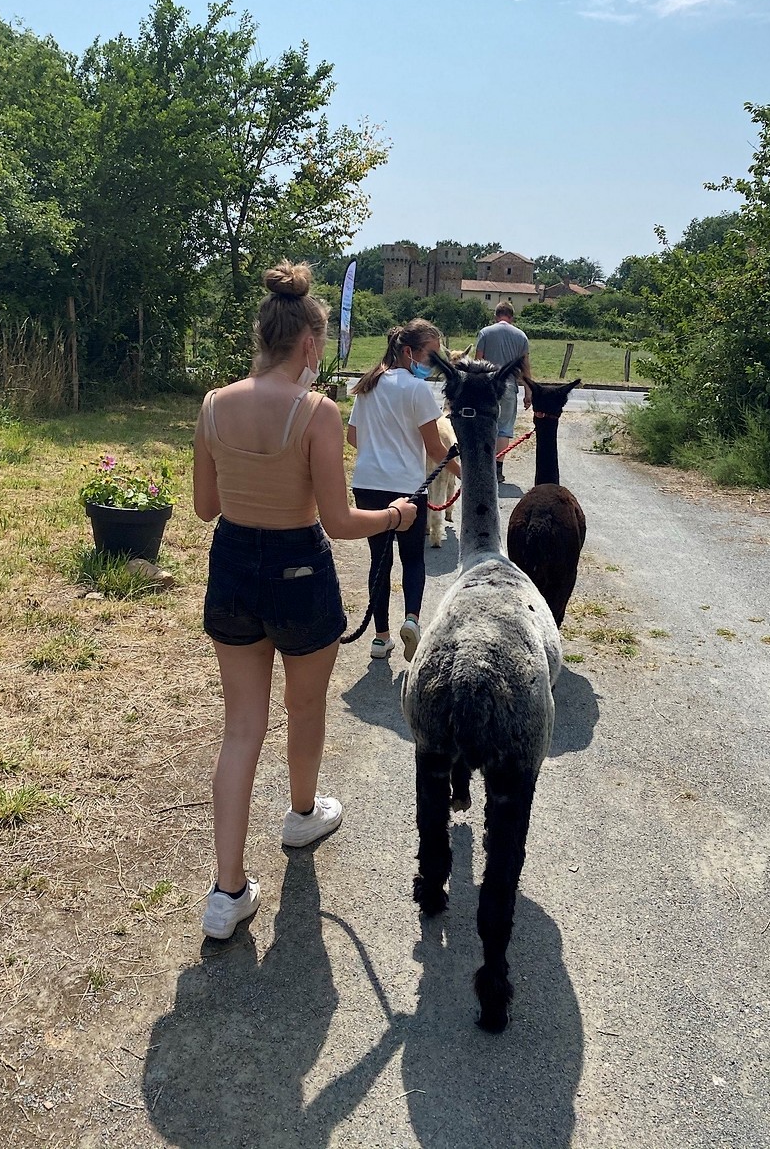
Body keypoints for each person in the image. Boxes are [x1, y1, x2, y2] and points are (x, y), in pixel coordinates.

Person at [193, 260, 418, 939]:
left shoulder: (213, 404)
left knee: (240, 728)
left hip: (233, 566)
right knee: (305, 705)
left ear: (262, 335)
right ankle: (300, 814)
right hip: (299, 571)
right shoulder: (317, 411)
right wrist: (397, 517)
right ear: (311, 343)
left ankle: (226, 893)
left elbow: (205, 507)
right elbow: (340, 521)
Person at [347, 320, 461, 663]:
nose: (434, 364)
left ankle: (380, 638)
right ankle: (411, 619)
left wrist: (379, 450)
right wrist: (466, 474)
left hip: (367, 485)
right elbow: (436, 448)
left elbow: (352, 437)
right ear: (408, 352)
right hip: (407, 489)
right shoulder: (416, 390)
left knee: (379, 561)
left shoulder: (368, 384)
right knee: (412, 559)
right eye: (431, 355)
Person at [475, 301, 532, 483]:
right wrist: (528, 391)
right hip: (508, 387)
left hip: (487, 386)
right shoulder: (521, 336)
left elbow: (478, 363)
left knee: (485, 425)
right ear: (512, 317)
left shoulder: (485, 333)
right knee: (504, 428)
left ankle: (484, 466)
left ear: (496, 316)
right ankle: (498, 469)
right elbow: (525, 367)